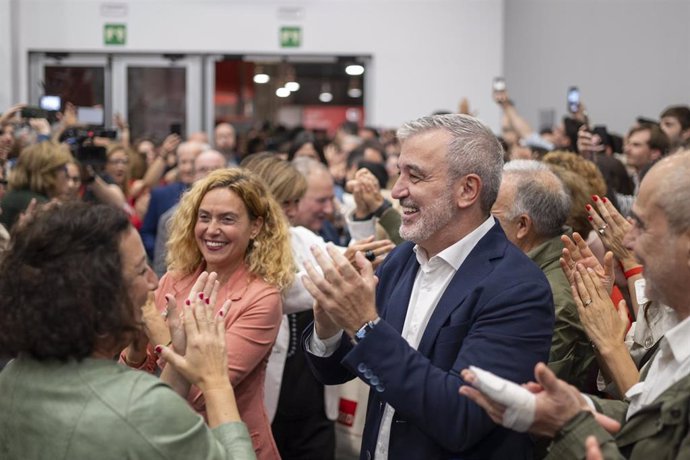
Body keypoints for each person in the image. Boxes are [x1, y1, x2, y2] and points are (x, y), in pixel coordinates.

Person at [301, 114, 555, 459]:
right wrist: (329, 324)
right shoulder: (402, 259)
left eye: (415, 176)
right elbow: (334, 371)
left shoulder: (517, 288)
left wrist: (365, 325)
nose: (396, 191)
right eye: (399, 172)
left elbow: (462, 418)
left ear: (467, 190)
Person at [461, 149, 690, 459]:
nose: (627, 243)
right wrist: (576, 409)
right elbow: (650, 415)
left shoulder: (546, 291)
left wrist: (572, 423)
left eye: (642, 225)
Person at [0, 202, 255, 459]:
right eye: (141, 270)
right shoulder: (139, 406)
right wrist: (216, 383)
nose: (153, 282)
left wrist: (180, 355)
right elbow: (137, 414)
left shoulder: (12, 375)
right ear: (100, 298)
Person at [122, 168, 293, 460]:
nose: (212, 229)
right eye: (204, 217)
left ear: (255, 227)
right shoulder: (173, 280)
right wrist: (136, 349)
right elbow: (130, 381)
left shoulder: (262, 298)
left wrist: (157, 328)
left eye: (227, 219)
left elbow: (202, 393)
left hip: (228, 447)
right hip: (164, 442)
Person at [492, 160, 597, 392]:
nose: (479, 225)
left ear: (522, 225)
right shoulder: (524, 268)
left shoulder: (549, 298)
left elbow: (526, 391)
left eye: (490, 216)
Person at [140, 140, 204, 259]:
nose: (188, 168)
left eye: (193, 162)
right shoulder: (161, 194)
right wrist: (163, 253)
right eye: (183, 162)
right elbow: (147, 233)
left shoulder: (213, 195)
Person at [0, 141, 73, 229]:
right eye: (64, 168)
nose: (67, 174)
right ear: (48, 172)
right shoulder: (38, 205)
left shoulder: (15, 196)